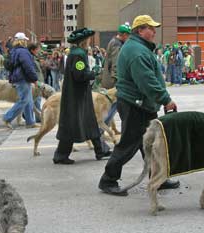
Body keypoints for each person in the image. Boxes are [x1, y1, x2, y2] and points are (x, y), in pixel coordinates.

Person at [98, 15, 179, 195]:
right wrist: (165, 99)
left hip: (141, 104)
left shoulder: (138, 47)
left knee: (150, 143)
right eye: (150, 28)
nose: (154, 31)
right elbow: (147, 81)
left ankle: (158, 177)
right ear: (140, 30)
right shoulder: (137, 51)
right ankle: (108, 180)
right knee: (128, 143)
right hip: (136, 105)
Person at [52, 27, 111, 164]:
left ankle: (100, 149)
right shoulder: (79, 54)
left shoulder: (75, 53)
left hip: (76, 94)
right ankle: (61, 155)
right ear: (84, 40)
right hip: (77, 96)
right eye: (88, 39)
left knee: (87, 121)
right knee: (75, 123)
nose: (90, 41)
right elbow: (79, 75)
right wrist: (93, 73)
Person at [2, 32, 39, 129]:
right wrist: (34, 78)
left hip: (17, 78)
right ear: (22, 41)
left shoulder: (13, 50)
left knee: (29, 100)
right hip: (22, 78)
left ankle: (30, 122)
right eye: (25, 40)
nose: (26, 42)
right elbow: (28, 66)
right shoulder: (23, 51)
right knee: (24, 100)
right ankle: (7, 117)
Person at [101, 23, 131, 130]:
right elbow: (116, 64)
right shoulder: (116, 44)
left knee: (113, 107)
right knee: (113, 107)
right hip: (114, 81)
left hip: (112, 80)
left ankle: (101, 131)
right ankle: (99, 131)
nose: (129, 37)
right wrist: (118, 81)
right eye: (128, 35)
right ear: (122, 34)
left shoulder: (115, 42)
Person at [28, 42, 45, 120]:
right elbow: (33, 71)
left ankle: (34, 117)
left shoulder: (35, 58)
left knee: (36, 99)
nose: (38, 51)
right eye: (37, 49)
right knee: (36, 100)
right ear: (32, 50)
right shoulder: (31, 58)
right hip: (35, 81)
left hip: (38, 80)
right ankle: (38, 118)